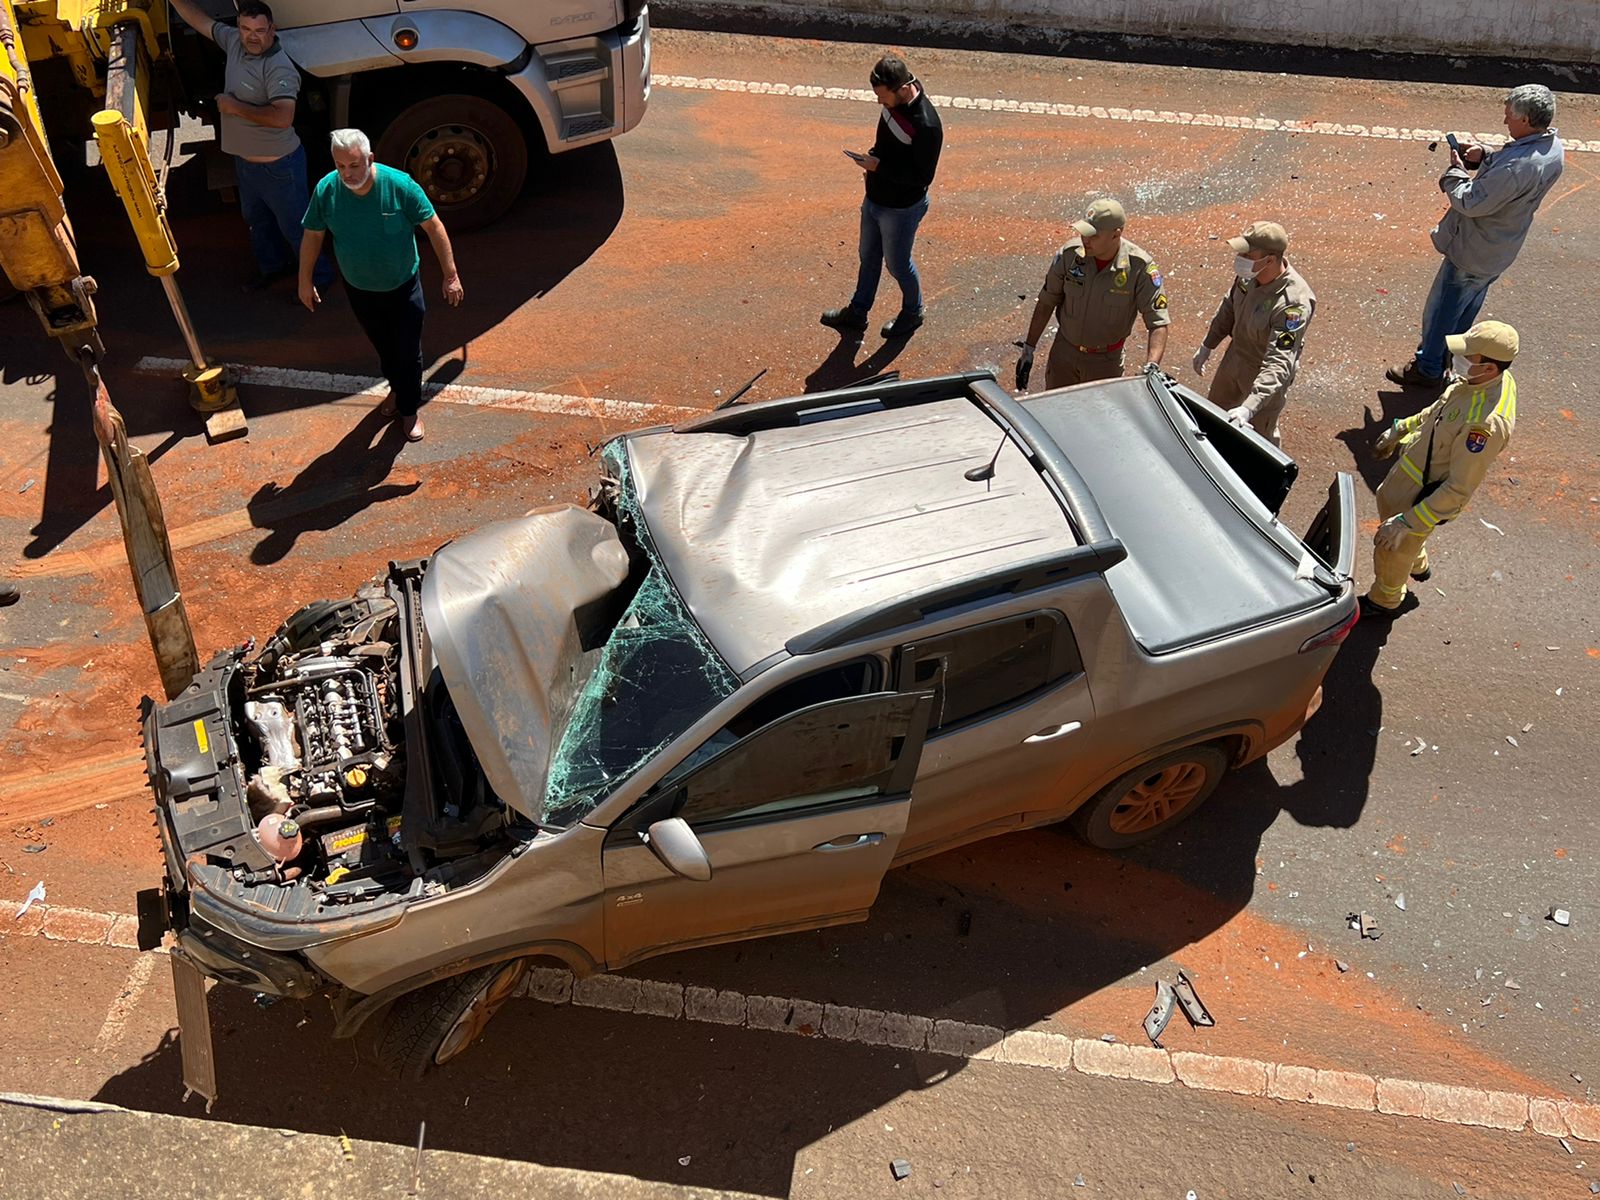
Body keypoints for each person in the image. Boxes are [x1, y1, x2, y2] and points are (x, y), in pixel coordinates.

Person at [1386, 85, 1563, 390]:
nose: (1505, 121)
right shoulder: (1553, 149)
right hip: (1500, 249)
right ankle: (1447, 361)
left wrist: (1454, 172)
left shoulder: (1517, 168)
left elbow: (1470, 202)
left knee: (1441, 311)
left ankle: (1428, 368)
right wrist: (1487, 156)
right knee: (1464, 311)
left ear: (1525, 121)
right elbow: (1512, 176)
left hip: (1473, 250)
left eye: (1509, 116)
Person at [299, 129, 463, 443]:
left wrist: (450, 274)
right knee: (385, 349)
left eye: (355, 165)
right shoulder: (327, 190)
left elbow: (433, 225)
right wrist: (304, 280)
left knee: (407, 352)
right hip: (360, 290)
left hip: (403, 287)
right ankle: (397, 390)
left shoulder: (399, 186)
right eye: (340, 166)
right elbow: (313, 234)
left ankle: (409, 409)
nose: (347, 174)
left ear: (370, 159)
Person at [166, 0, 331, 292]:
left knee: (297, 228)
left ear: (272, 30)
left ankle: (318, 279)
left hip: (279, 168)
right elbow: (199, 20)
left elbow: (283, 117)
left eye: (260, 30)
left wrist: (234, 107)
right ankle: (273, 269)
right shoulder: (233, 42)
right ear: (238, 28)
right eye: (246, 29)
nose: (253, 37)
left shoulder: (279, 68)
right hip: (247, 165)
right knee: (257, 223)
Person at [1362, 320, 1519, 619]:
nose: (1457, 359)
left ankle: (1385, 599)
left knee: (1390, 548)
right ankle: (1417, 561)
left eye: (1467, 356)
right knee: (1404, 539)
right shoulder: (1483, 380)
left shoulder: (1484, 426)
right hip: (1413, 470)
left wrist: (1407, 522)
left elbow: (1458, 489)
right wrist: (1401, 429)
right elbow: (1441, 408)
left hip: (1420, 496)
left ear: (1489, 368)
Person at [820, 54, 943, 341]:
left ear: (901, 89)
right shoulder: (891, 105)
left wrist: (880, 168)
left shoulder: (927, 125)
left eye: (882, 96)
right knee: (868, 256)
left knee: (897, 264)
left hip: (902, 208)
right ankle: (858, 312)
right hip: (875, 198)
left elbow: (922, 177)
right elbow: (884, 144)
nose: (879, 102)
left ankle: (913, 311)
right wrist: (872, 159)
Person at [1015, 198, 1169, 391]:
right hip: (1064, 355)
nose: (1084, 240)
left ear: (1116, 234)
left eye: (1093, 235)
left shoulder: (1139, 267)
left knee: (1099, 417)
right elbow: (1047, 301)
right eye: (1083, 232)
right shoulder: (1069, 255)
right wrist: (1029, 349)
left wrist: (1152, 366)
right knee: (1057, 414)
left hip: (1105, 364)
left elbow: (1158, 322)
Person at [1192, 221, 1315, 446]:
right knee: (1213, 420)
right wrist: (1208, 345)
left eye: (1248, 254)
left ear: (1269, 260)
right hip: (1234, 360)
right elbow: (1229, 307)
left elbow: (1279, 363)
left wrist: (1249, 408)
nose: (1241, 257)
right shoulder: (1249, 274)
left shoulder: (1292, 304)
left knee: (1257, 443)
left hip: (1263, 375)